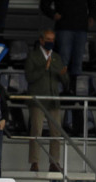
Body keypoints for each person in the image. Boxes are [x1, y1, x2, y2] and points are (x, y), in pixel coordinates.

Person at [26, 29, 69, 173]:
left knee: (55, 132)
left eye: (52, 39)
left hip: (53, 100)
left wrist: (63, 75)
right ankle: (34, 162)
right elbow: (29, 77)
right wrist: (44, 68)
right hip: (38, 100)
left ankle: (54, 162)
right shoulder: (33, 56)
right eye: (48, 39)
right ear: (41, 40)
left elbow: (65, 81)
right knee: (36, 131)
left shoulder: (56, 57)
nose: (50, 41)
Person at [40, 0, 96, 78]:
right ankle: (64, 84)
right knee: (65, 58)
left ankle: (71, 85)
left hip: (78, 26)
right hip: (66, 26)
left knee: (77, 60)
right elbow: (44, 5)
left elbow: (93, 4)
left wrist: (92, 16)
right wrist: (53, 14)